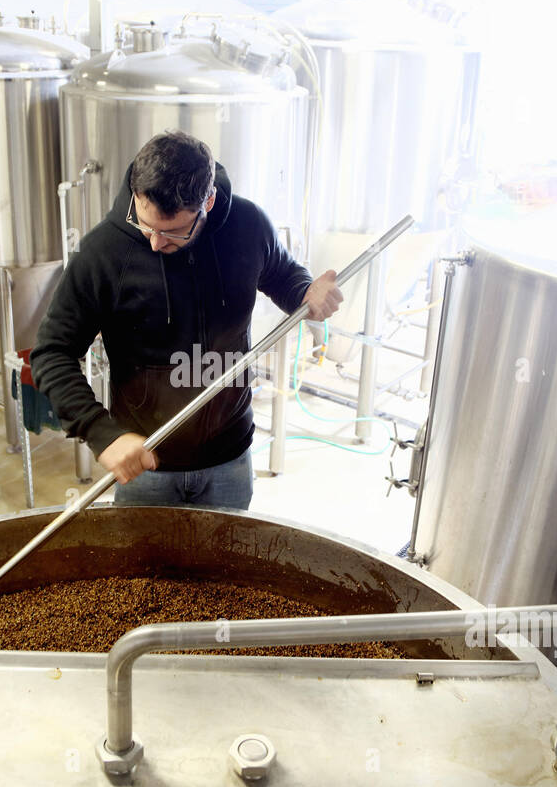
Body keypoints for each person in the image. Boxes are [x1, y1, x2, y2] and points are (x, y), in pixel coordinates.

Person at [31, 130, 342, 509]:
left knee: (222, 567)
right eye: (145, 224)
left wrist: (306, 291)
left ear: (207, 202)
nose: (155, 243)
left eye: (172, 231)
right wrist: (102, 433)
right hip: (147, 468)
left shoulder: (248, 225)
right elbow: (51, 353)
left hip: (230, 457)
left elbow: (281, 273)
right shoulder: (104, 252)